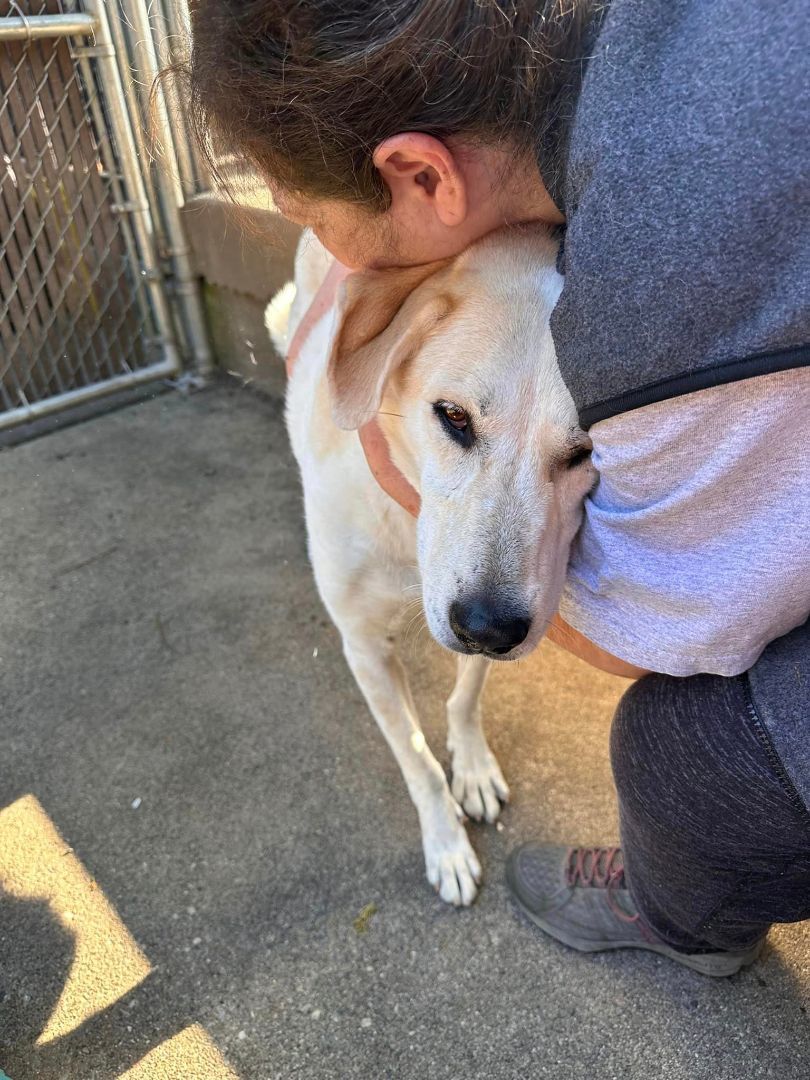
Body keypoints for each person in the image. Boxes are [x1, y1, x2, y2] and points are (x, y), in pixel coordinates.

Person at [188, 0, 810, 977]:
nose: (332, 261)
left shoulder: (649, 302)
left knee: (675, 748)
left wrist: (412, 463)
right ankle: (435, 783)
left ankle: (671, 903)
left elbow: (691, 629)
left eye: (315, 225)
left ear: (419, 172)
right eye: (308, 232)